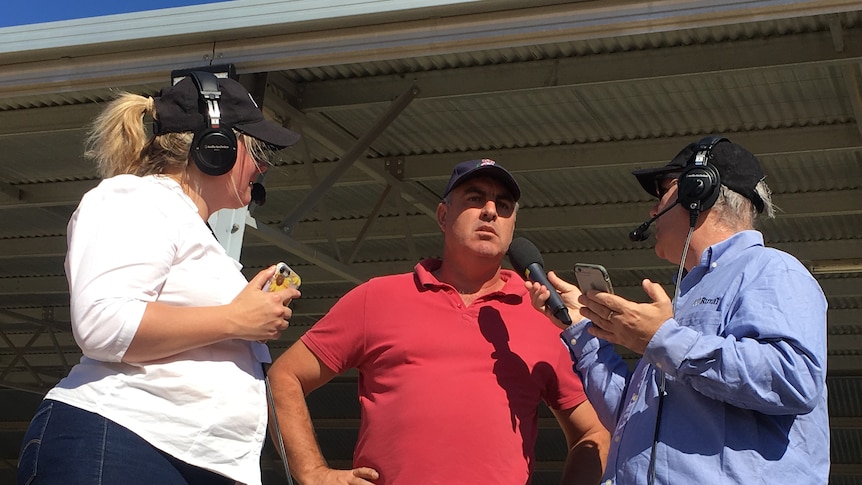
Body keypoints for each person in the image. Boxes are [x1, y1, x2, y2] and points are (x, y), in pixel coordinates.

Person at [17, 72, 302, 485]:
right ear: (215, 147)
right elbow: (103, 323)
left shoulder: (189, 227)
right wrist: (236, 320)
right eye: (258, 151)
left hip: (187, 457)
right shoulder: (136, 199)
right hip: (125, 441)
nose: (263, 167)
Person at [267, 159, 610, 485]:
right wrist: (312, 472)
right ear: (443, 216)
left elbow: (595, 433)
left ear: (512, 227)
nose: (491, 211)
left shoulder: (542, 316)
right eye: (475, 199)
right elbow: (284, 376)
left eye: (503, 206)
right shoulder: (377, 298)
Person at [526, 137, 829, 484]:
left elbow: (795, 379)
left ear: (698, 190)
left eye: (663, 194)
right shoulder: (683, 299)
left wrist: (663, 338)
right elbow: (631, 417)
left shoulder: (772, 269)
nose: (653, 211)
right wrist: (582, 328)